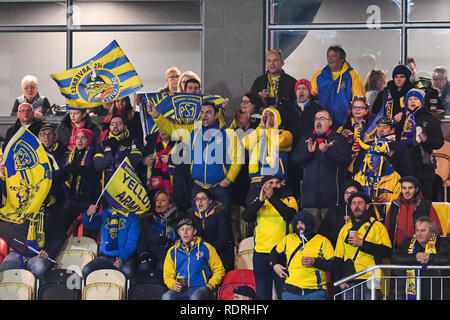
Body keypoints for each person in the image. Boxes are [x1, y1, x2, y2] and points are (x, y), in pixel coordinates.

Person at [147, 100, 243, 207]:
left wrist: (228, 180)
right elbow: (171, 128)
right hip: (198, 187)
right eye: (202, 112)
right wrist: (155, 115)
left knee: (222, 221)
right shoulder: (193, 131)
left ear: (216, 115)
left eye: (208, 112)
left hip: (219, 188)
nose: (204, 115)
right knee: (198, 221)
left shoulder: (228, 133)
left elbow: (238, 159)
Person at [290, 109, 351, 233]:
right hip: (309, 199)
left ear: (330, 122)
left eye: (322, 119)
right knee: (309, 234)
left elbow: (345, 161)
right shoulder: (306, 138)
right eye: (316, 119)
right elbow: (294, 162)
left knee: (331, 234)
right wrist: (308, 153)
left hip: (331, 200)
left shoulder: (338, 139)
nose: (318, 122)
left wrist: (327, 152)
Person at [242, 174, 298, 300]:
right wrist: (260, 201)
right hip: (261, 254)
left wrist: (272, 197)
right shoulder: (259, 201)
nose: (273, 186)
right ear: (263, 186)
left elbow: (289, 215)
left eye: (276, 183)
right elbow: (246, 217)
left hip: (282, 254)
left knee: (284, 294)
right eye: (270, 183)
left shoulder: (289, 200)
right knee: (262, 296)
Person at [334, 192, 392, 300]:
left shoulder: (378, 226)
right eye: (353, 203)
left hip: (372, 279)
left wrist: (362, 244)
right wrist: (339, 281)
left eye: (360, 203)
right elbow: (338, 258)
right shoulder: (345, 229)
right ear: (350, 207)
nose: (356, 206)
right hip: (349, 279)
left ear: (367, 206)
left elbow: (387, 252)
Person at [270, 210, 335, 300]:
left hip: (315, 291)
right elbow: (274, 252)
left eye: (302, 223)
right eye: (297, 223)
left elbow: (334, 263)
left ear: (309, 223)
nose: (299, 226)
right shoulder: (288, 239)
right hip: (291, 290)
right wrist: (274, 265)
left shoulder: (322, 241)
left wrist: (315, 262)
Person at [162, 218, 225, 300]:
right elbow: (167, 274)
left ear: (194, 231)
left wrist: (210, 285)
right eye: (182, 229)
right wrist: (173, 284)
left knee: (195, 297)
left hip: (201, 287)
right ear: (179, 232)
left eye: (188, 229)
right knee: (166, 297)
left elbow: (219, 270)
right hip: (182, 289)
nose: (185, 232)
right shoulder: (172, 251)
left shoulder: (206, 247)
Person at [398, 88, 444, 200]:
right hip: (405, 167)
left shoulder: (430, 119)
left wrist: (426, 140)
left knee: (424, 202)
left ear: (421, 102)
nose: (412, 101)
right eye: (410, 99)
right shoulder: (402, 118)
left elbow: (439, 142)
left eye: (415, 99)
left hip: (423, 169)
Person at [242, 107, 293, 206]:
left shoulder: (285, 134)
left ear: (277, 118)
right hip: (256, 183)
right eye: (265, 115)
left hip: (276, 183)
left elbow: (278, 142)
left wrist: (270, 129)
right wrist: (261, 127)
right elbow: (246, 143)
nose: (267, 117)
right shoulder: (258, 134)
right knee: (253, 214)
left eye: (271, 115)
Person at [390, 216, 450, 300]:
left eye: (423, 230)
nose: (419, 234)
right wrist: (415, 257)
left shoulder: (443, 243)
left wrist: (430, 258)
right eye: (417, 230)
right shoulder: (408, 242)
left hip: (439, 292)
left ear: (432, 233)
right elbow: (394, 257)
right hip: (415, 292)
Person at [311, 45, 365, 128]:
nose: (330, 59)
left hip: (346, 124)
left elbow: (359, 100)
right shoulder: (319, 76)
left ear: (342, 59)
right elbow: (312, 98)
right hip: (324, 125)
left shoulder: (352, 75)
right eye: (328, 56)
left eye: (333, 56)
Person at [82, 202, 140, 279]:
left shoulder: (132, 218)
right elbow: (88, 224)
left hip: (124, 258)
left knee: (127, 272)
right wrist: (88, 214)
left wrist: (122, 258)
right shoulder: (105, 213)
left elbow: (131, 244)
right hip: (105, 257)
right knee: (86, 270)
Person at [384, 176, 443, 251]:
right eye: (404, 188)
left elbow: (436, 229)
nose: (407, 191)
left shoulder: (426, 205)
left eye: (410, 188)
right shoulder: (395, 205)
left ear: (416, 189)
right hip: (397, 251)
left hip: (420, 251)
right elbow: (387, 228)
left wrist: (431, 251)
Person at [136, 190, 185, 276]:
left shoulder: (178, 219)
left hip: (168, 256)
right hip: (150, 255)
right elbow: (142, 240)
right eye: (157, 200)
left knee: (161, 267)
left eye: (163, 200)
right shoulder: (149, 219)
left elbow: (182, 239)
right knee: (143, 267)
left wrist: (168, 242)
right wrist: (143, 253)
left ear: (170, 204)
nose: (159, 203)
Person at [60, 128, 101, 233]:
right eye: (77, 138)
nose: (80, 141)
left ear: (89, 140)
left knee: (87, 224)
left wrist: (77, 169)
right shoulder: (69, 155)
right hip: (71, 198)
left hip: (88, 198)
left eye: (83, 138)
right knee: (63, 217)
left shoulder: (94, 154)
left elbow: (95, 175)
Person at [189, 189, 235, 272]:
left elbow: (223, 239)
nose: (200, 202)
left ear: (210, 201)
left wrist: (208, 252)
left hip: (220, 254)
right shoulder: (192, 215)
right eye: (197, 199)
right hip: (200, 254)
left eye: (203, 198)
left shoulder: (220, 213)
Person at [93, 113, 143, 188]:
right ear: (109, 127)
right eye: (112, 124)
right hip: (109, 187)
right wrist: (112, 154)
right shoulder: (103, 143)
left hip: (128, 186)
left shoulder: (133, 140)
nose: (115, 126)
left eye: (119, 123)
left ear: (125, 126)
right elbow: (98, 165)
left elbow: (134, 161)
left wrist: (120, 152)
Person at [353, 133, 402, 204]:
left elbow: (402, 197)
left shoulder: (394, 177)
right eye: (369, 157)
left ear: (383, 159)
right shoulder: (359, 176)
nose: (370, 160)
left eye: (374, 157)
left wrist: (387, 197)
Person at [319, 180, 363, 247]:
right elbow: (323, 233)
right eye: (346, 193)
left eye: (352, 193)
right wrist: (340, 235)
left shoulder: (365, 211)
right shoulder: (334, 211)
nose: (349, 196)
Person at [278, 78, 322, 144]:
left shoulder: (317, 109)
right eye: (298, 89)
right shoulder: (287, 108)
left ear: (309, 92)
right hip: (290, 145)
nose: (301, 91)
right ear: (296, 92)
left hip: (309, 145)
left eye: (304, 88)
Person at [337, 96, 373, 174]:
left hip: (364, 162)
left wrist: (370, 142)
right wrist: (344, 139)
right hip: (346, 163)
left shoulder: (371, 127)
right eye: (355, 107)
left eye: (361, 107)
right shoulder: (343, 127)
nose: (357, 109)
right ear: (351, 110)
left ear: (366, 111)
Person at [141, 130, 176, 203]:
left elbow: (188, 161)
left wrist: (171, 159)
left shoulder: (180, 140)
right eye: (160, 127)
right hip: (155, 188)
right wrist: (143, 161)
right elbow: (140, 162)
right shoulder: (151, 142)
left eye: (164, 127)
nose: (162, 130)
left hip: (176, 187)